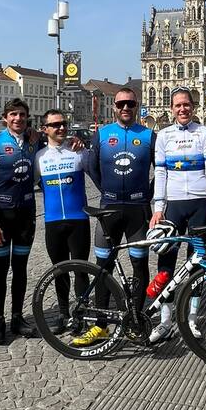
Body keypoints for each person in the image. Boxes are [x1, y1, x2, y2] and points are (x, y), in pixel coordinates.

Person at [74, 86, 155, 346]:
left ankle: (136, 320)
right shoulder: (103, 134)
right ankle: (101, 325)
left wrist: (148, 193)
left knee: (139, 265)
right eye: (120, 104)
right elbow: (91, 166)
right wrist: (104, 190)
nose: (125, 108)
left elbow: (162, 171)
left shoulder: (149, 135)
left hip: (137, 209)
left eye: (130, 104)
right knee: (103, 268)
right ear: (114, 107)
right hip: (108, 209)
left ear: (136, 105)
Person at [149, 87, 206, 343]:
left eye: (187, 105)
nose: (182, 109)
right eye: (178, 105)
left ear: (193, 107)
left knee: (198, 263)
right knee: (166, 263)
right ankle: (165, 320)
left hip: (201, 203)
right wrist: (158, 208)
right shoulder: (164, 136)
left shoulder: (204, 133)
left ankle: (192, 319)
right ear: (171, 108)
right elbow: (160, 173)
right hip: (174, 205)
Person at [0, 98, 38, 344]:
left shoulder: (34, 142)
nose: (18, 119)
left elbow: (57, 138)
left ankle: (17, 317)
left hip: (25, 216)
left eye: (22, 115)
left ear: (27, 118)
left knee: (21, 269)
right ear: (5, 118)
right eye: (13, 114)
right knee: (1, 271)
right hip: (2, 219)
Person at [35, 109, 90, 334]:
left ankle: (81, 314)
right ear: (44, 129)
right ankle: (63, 313)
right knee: (59, 271)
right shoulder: (39, 157)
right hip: (53, 221)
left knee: (80, 270)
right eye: (55, 125)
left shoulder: (78, 152)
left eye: (64, 124)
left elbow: (98, 171)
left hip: (78, 219)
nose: (61, 128)